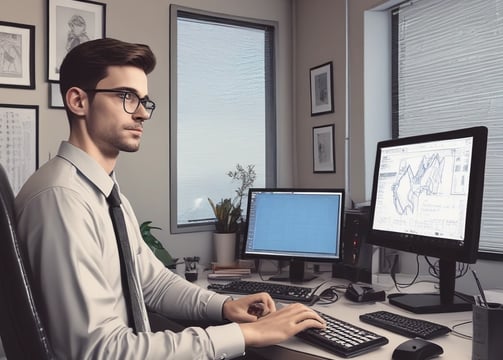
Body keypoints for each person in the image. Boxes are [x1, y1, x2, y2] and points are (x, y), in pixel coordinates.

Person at [14, 38, 324, 359]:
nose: (143, 114)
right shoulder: (62, 200)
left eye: (144, 101)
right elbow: (99, 351)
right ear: (78, 101)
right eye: (126, 96)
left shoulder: (102, 191)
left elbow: (153, 283)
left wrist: (226, 307)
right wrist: (245, 334)